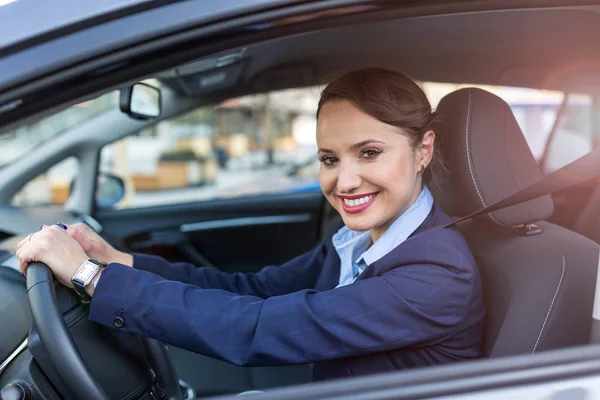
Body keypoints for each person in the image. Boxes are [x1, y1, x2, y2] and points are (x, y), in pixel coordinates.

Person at [17, 68, 485, 381]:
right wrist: (118, 261)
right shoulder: (360, 239)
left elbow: (258, 327)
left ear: (423, 150)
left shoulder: (436, 274)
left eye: (369, 153)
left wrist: (91, 279)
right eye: (328, 158)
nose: (344, 181)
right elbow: (254, 290)